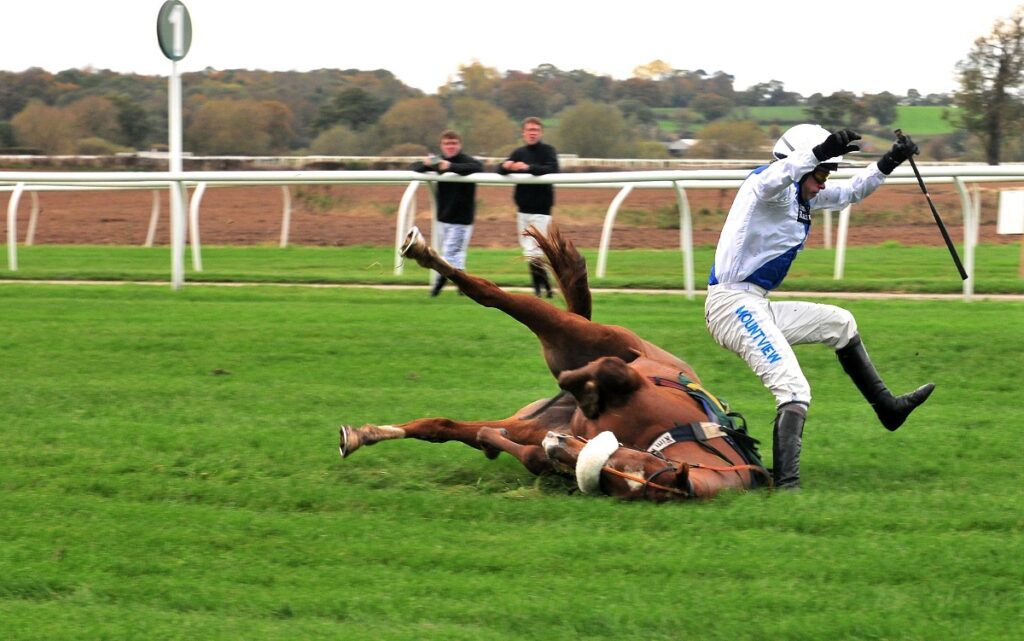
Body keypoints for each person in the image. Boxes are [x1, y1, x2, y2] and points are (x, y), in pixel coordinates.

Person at [704, 124, 935, 489]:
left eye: (827, 173)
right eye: (821, 173)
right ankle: (787, 488)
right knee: (794, 389)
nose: (823, 183)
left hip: (755, 303)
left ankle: (888, 409)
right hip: (730, 304)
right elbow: (777, 176)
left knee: (840, 323)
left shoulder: (802, 197)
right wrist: (818, 152)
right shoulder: (766, 188)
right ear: (798, 165)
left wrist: (890, 161)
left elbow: (853, 192)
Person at [410, 130, 484, 296]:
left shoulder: (467, 160)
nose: (450, 147)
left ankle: (438, 286)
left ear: (459, 145)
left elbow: (478, 167)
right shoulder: (438, 160)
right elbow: (414, 168)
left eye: (453, 143)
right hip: (443, 217)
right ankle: (464, 287)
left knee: (448, 254)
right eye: (447, 144)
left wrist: (450, 167)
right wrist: (427, 164)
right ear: (441, 146)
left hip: (462, 219)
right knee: (456, 255)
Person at [498, 117, 559, 297]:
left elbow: (552, 169)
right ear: (523, 133)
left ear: (540, 133)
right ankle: (547, 288)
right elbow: (499, 169)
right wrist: (506, 165)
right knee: (530, 250)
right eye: (529, 130)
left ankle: (538, 291)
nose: (532, 133)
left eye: (535, 130)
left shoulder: (549, 151)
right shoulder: (518, 152)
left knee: (534, 251)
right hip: (523, 208)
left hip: (542, 209)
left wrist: (527, 168)